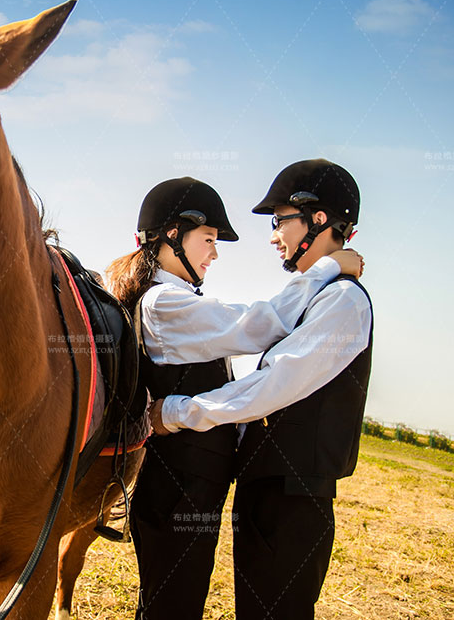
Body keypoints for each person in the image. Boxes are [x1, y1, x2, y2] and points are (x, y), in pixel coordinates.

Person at [107, 175, 363, 620]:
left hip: (200, 488)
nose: (216, 251)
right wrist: (329, 267)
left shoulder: (178, 299)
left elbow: (269, 376)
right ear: (173, 234)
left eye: (280, 220)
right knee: (172, 606)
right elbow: (258, 327)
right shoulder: (163, 302)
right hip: (179, 488)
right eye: (208, 238)